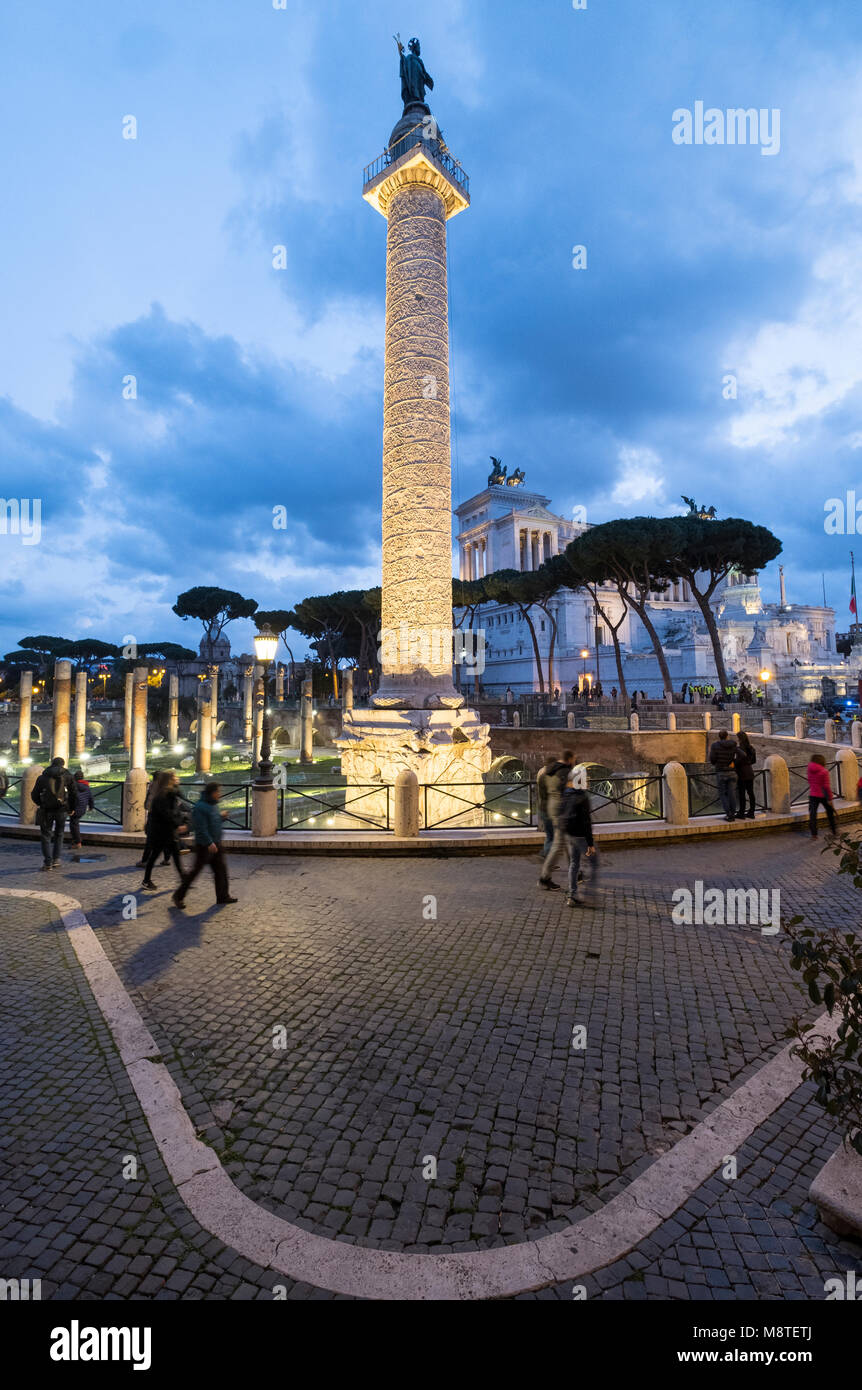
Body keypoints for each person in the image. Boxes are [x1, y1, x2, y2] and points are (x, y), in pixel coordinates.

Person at [172, 782, 237, 908]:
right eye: (218, 792)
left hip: (215, 843)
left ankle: (223, 896)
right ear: (212, 793)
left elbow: (211, 821)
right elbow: (201, 827)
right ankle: (178, 896)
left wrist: (221, 817)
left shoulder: (212, 805)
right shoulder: (201, 807)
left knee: (221, 870)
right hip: (205, 846)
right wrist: (209, 843)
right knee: (195, 872)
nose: (220, 794)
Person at [141, 771, 188, 890]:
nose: (177, 778)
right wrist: (178, 824)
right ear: (169, 780)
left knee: (176, 855)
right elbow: (167, 814)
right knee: (155, 855)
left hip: (167, 831)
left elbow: (175, 809)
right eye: (175, 777)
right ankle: (146, 880)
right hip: (161, 831)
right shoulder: (162, 796)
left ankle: (183, 879)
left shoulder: (171, 793)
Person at [537, 751, 577, 889]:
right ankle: (544, 878)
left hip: (551, 808)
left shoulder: (547, 772)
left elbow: (543, 791)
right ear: (570, 759)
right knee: (558, 845)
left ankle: (576, 872)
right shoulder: (565, 772)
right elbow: (571, 792)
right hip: (562, 811)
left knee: (566, 843)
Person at [559, 771, 598, 908]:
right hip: (580, 835)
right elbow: (586, 821)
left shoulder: (565, 793)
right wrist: (590, 843)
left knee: (574, 863)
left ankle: (572, 895)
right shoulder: (582, 796)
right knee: (594, 863)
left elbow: (560, 813)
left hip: (568, 834)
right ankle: (588, 894)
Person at [31, 756, 75, 870]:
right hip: (62, 810)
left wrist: (41, 803)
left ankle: (47, 863)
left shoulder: (42, 777)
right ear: (63, 764)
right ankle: (56, 859)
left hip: (46, 810)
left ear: (51, 764)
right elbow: (74, 793)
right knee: (59, 834)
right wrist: (71, 808)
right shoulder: (68, 776)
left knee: (46, 836)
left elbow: (34, 794)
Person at [536, 754, 567, 858]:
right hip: (552, 810)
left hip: (543, 808)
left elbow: (542, 794)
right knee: (557, 836)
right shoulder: (554, 777)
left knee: (550, 835)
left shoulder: (542, 774)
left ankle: (546, 854)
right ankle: (549, 857)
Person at [709, 729, 739, 821]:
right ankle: (733, 813)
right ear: (727, 736)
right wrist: (733, 762)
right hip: (732, 772)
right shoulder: (733, 745)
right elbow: (740, 755)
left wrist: (717, 763)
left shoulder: (715, 745)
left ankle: (729, 814)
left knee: (723, 794)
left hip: (721, 771)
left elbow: (712, 759)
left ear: (719, 736)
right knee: (732, 793)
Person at [807, 754, 836, 838]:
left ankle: (814, 834)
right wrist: (830, 798)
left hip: (813, 794)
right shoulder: (824, 771)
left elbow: (809, 781)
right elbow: (826, 786)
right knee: (830, 813)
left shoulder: (809, 769)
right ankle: (834, 831)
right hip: (823, 795)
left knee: (813, 815)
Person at [734, 731, 757, 820]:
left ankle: (741, 813)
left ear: (739, 739)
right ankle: (751, 812)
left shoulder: (739, 749)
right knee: (751, 793)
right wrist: (748, 763)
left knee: (741, 794)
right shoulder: (751, 748)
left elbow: (738, 761)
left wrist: (735, 763)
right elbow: (754, 761)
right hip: (750, 772)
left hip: (741, 773)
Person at [69, 768, 94, 848]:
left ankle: (78, 842)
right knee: (75, 823)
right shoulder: (86, 786)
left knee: (74, 825)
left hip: (75, 808)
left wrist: (71, 809)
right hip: (83, 808)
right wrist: (91, 807)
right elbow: (91, 798)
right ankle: (75, 841)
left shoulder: (73, 786)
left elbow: (71, 798)